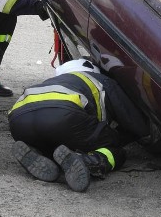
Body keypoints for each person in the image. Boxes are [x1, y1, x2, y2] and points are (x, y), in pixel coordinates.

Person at [8, 58, 151, 192]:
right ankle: (87, 161)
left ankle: (41, 153)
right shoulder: (100, 79)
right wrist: (147, 133)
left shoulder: (50, 82)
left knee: (58, 143)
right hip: (63, 117)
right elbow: (130, 116)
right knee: (115, 149)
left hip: (19, 123)